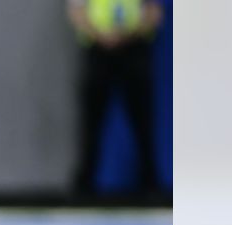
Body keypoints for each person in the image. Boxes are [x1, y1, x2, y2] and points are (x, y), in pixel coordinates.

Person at [68, 0, 165, 196]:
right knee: (91, 124)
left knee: (142, 122)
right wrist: (103, 37)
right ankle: (83, 190)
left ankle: (151, 189)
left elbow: (155, 13)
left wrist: (126, 36)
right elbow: (76, 12)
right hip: (98, 52)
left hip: (134, 51)